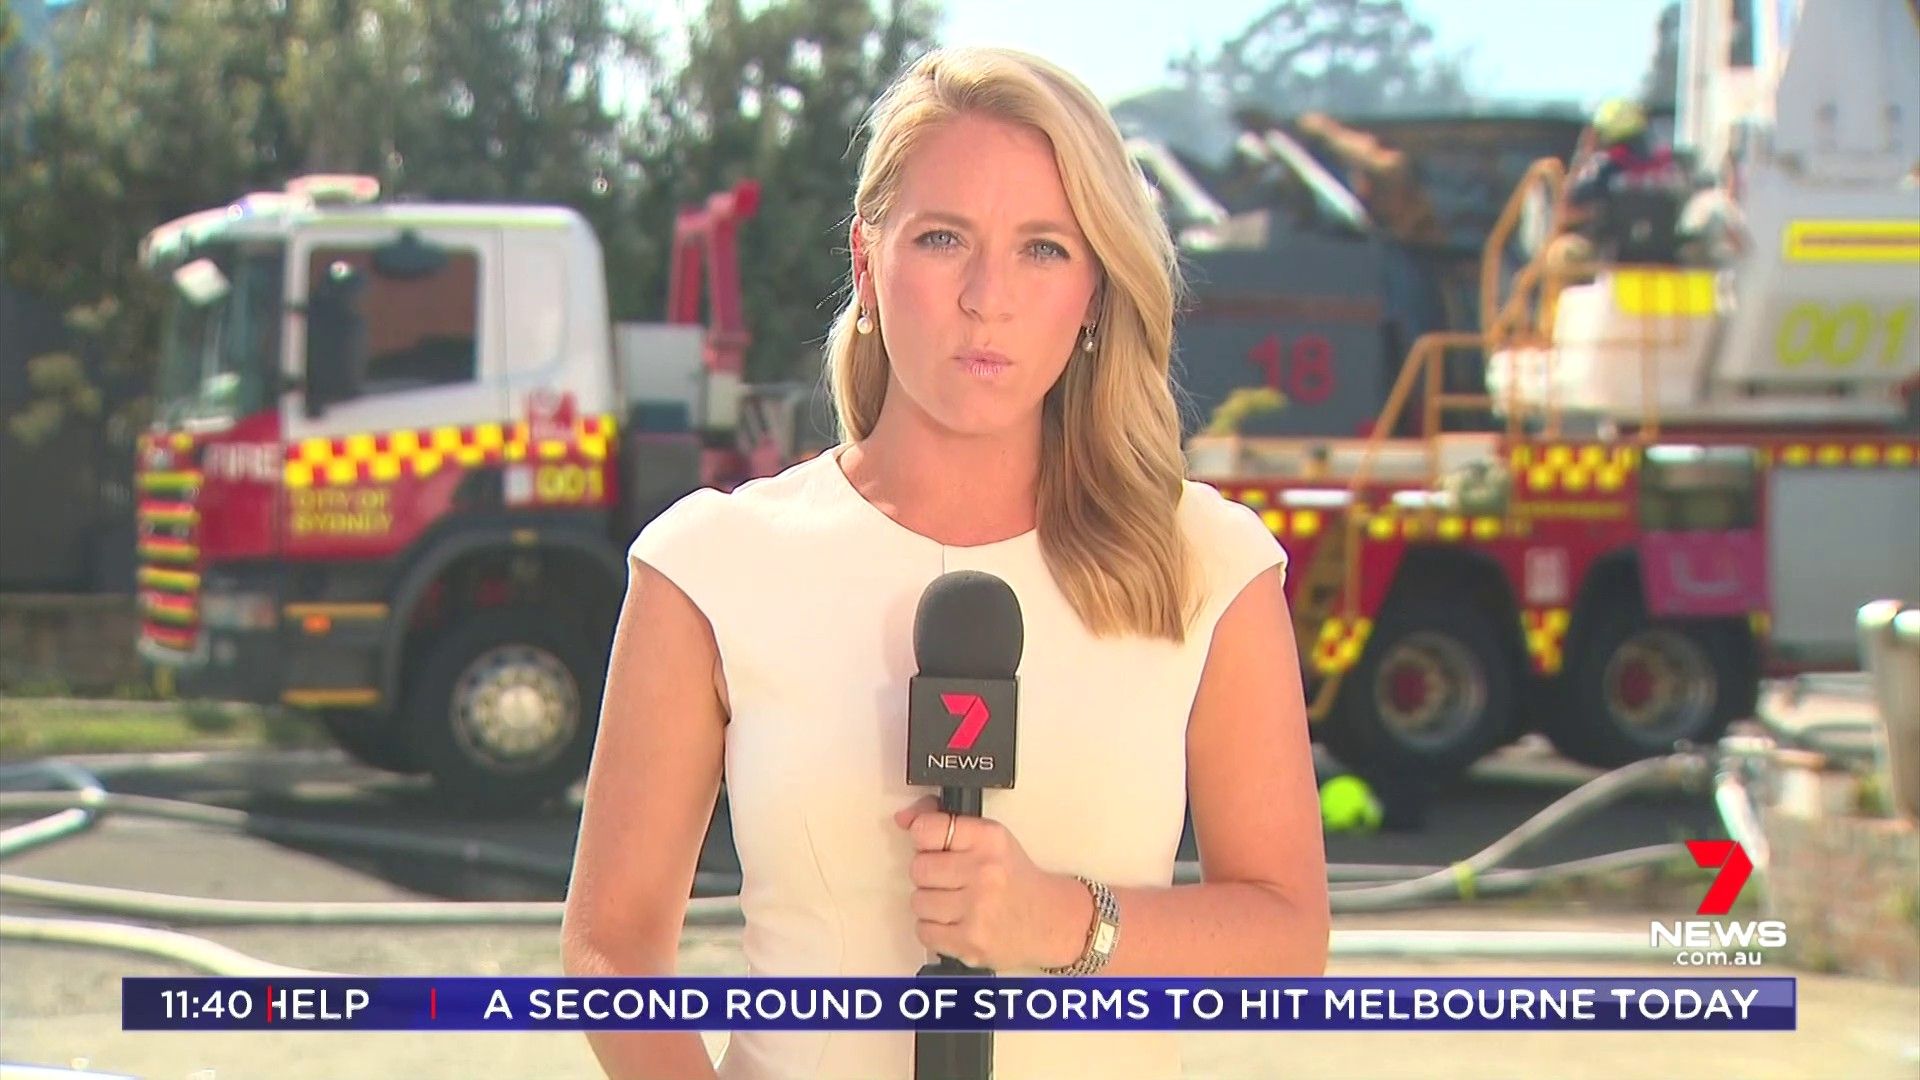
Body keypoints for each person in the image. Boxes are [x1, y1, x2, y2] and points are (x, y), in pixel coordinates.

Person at [561, 45, 1331, 1080]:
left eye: (1043, 248)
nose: (987, 297)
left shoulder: (1207, 565)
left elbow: (1286, 942)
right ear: (867, 263)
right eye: (942, 238)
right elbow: (612, 948)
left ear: (1097, 291)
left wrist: (1062, 921)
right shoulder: (710, 567)